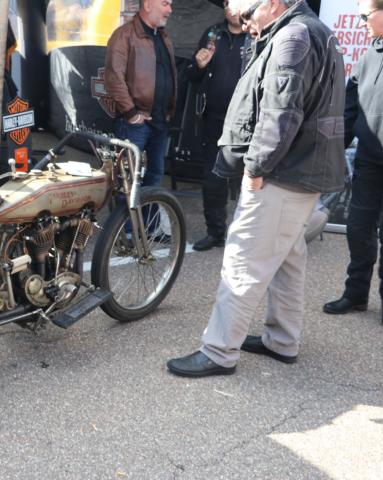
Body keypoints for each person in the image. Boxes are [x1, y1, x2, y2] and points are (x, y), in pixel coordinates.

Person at [166, 0, 346, 377]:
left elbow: (282, 113)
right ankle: (282, 340)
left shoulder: (292, 37)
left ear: (273, 3)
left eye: (248, 14)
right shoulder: (310, 31)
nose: (244, 22)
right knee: (288, 259)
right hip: (302, 170)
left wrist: (256, 168)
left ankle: (218, 351)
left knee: (243, 260)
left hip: (283, 173)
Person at [323, 0, 383, 331]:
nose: (361, 22)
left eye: (365, 15)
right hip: (368, 159)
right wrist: (332, 152)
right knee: (357, 228)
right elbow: (350, 109)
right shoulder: (368, 56)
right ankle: (355, 294)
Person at [187, 1, 248, 251]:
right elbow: (192, 76)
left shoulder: (256, 36)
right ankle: (215, 232)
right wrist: (198, 65)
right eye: (227, 3)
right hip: (213, 119)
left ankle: (247, 238)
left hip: (246, 123)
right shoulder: (213, 34)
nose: (231, 8)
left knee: (248, 182)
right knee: (212, 180)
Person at [105, 0, 176, 188]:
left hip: (159, 120)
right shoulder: (124, 35)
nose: (170, 10)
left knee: (155, 176)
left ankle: (149, 210)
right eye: (165, 4)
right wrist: (131, 113)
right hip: (134, 124)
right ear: (148, 4)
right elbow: (113, 78)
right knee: (126, 181)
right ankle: (126, 211)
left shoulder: (164, 37)